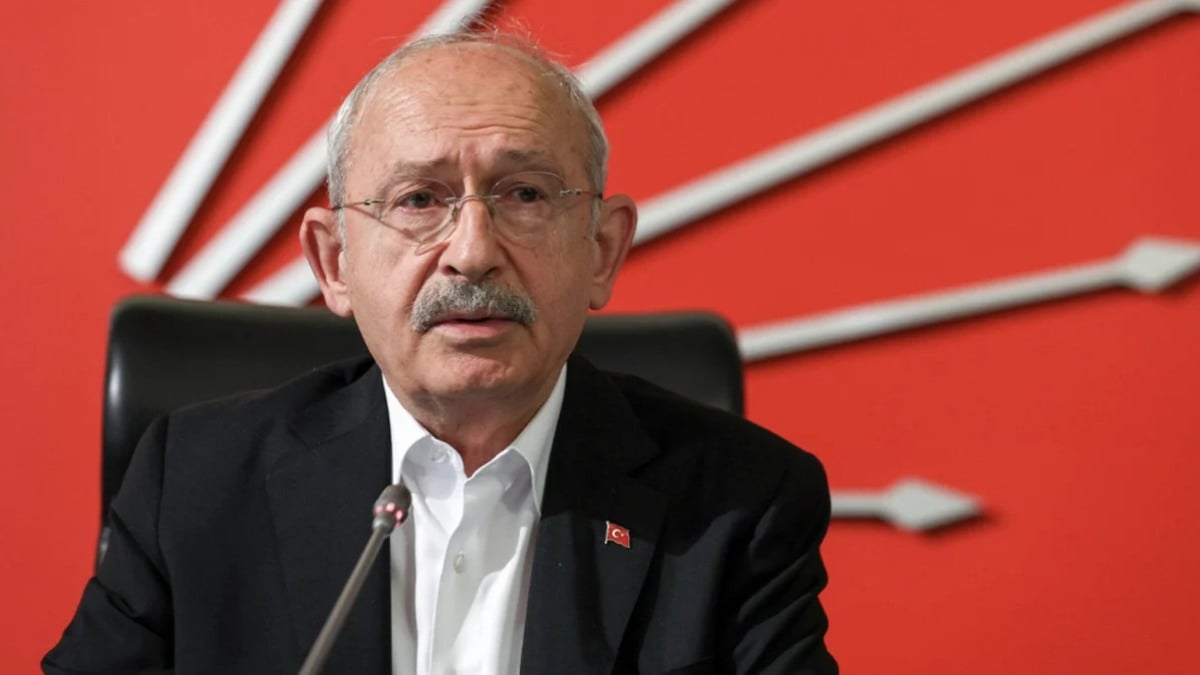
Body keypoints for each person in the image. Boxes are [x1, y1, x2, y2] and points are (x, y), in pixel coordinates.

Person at [45, 31, 837, 675]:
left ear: (602, 250)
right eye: (420, 199)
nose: (472, 251)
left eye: (524, 194)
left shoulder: (742, 503)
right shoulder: (195, 484)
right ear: (334, 262)